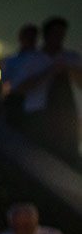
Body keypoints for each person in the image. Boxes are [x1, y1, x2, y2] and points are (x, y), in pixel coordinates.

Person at [13, 17, 82, 166]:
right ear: (46, 35)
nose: (59, 37)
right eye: (55, 33)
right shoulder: (32, 59)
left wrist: (69, 70)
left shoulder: (70, 57)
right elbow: (19, 87)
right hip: (39, 115)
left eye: (62, 34)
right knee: (43, 157)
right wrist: (49, 72)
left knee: (69, 155)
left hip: (67, 114)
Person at [1, 24, 40, 127]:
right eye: (28, 36)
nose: (30, 39)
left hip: (38, 105)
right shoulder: (11, 60)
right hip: (17, 103)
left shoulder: (42, 58)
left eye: (32, 36)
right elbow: (5, 83)